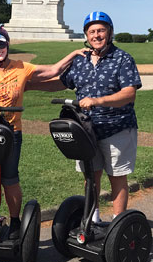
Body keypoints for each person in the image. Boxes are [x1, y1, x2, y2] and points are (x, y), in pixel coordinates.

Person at [0, 25, 85, 239]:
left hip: (10, 129)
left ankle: (15, 221)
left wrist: (74, 54)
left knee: (10, 178)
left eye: (1, 44)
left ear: (7, 44)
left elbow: (53, 71)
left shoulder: (22, 68)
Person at [30, 11, 142, 223]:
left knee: (117, 177)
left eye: (101, 30)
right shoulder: (80, 60)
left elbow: (129, 93)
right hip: (86, 129)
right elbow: (61, 82)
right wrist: (28, 86)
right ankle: (93, 219)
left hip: (116, 128)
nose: (96, 35)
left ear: (109, 33)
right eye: (92, 32)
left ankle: (118, 224)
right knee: (91, 176)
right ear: (86, 35)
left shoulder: (122, 59)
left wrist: (98, 101)